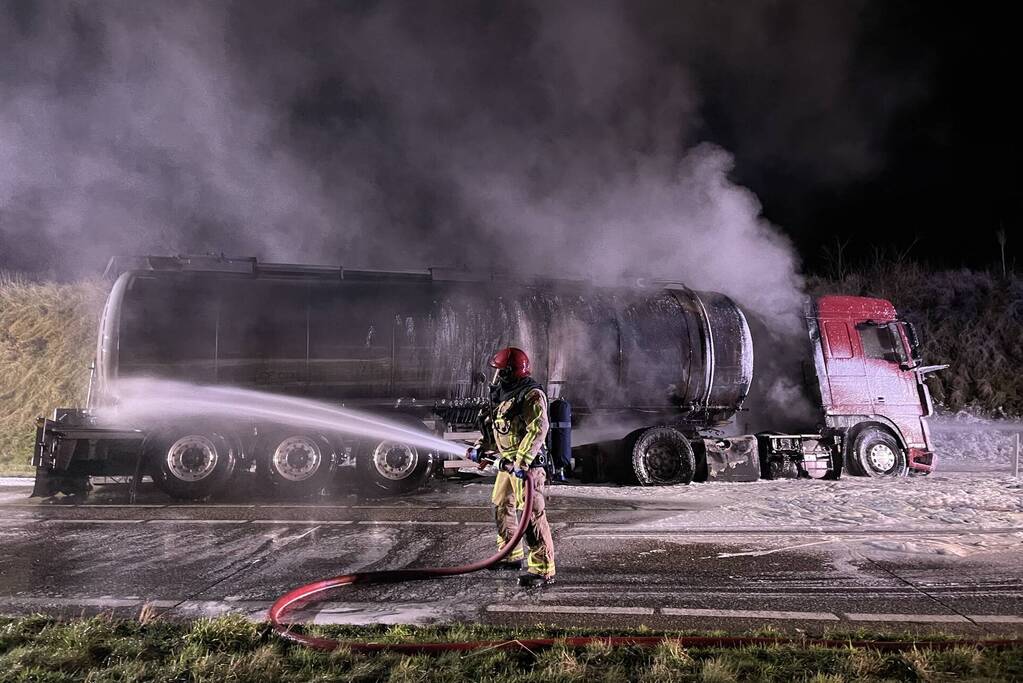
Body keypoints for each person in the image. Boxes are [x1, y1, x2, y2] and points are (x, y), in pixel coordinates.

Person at [467, 346, 556, 587]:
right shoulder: (501, 394)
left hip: (526, 466)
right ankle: (509, 555)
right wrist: (481, 449)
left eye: (500, 371)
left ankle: (542, 569)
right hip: (508, 463)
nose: (496, 376)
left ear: (509, 372)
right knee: (501, 505)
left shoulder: (530, 395)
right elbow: (494, 428)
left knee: (532, 516)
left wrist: (522, 461)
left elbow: (538, 429)